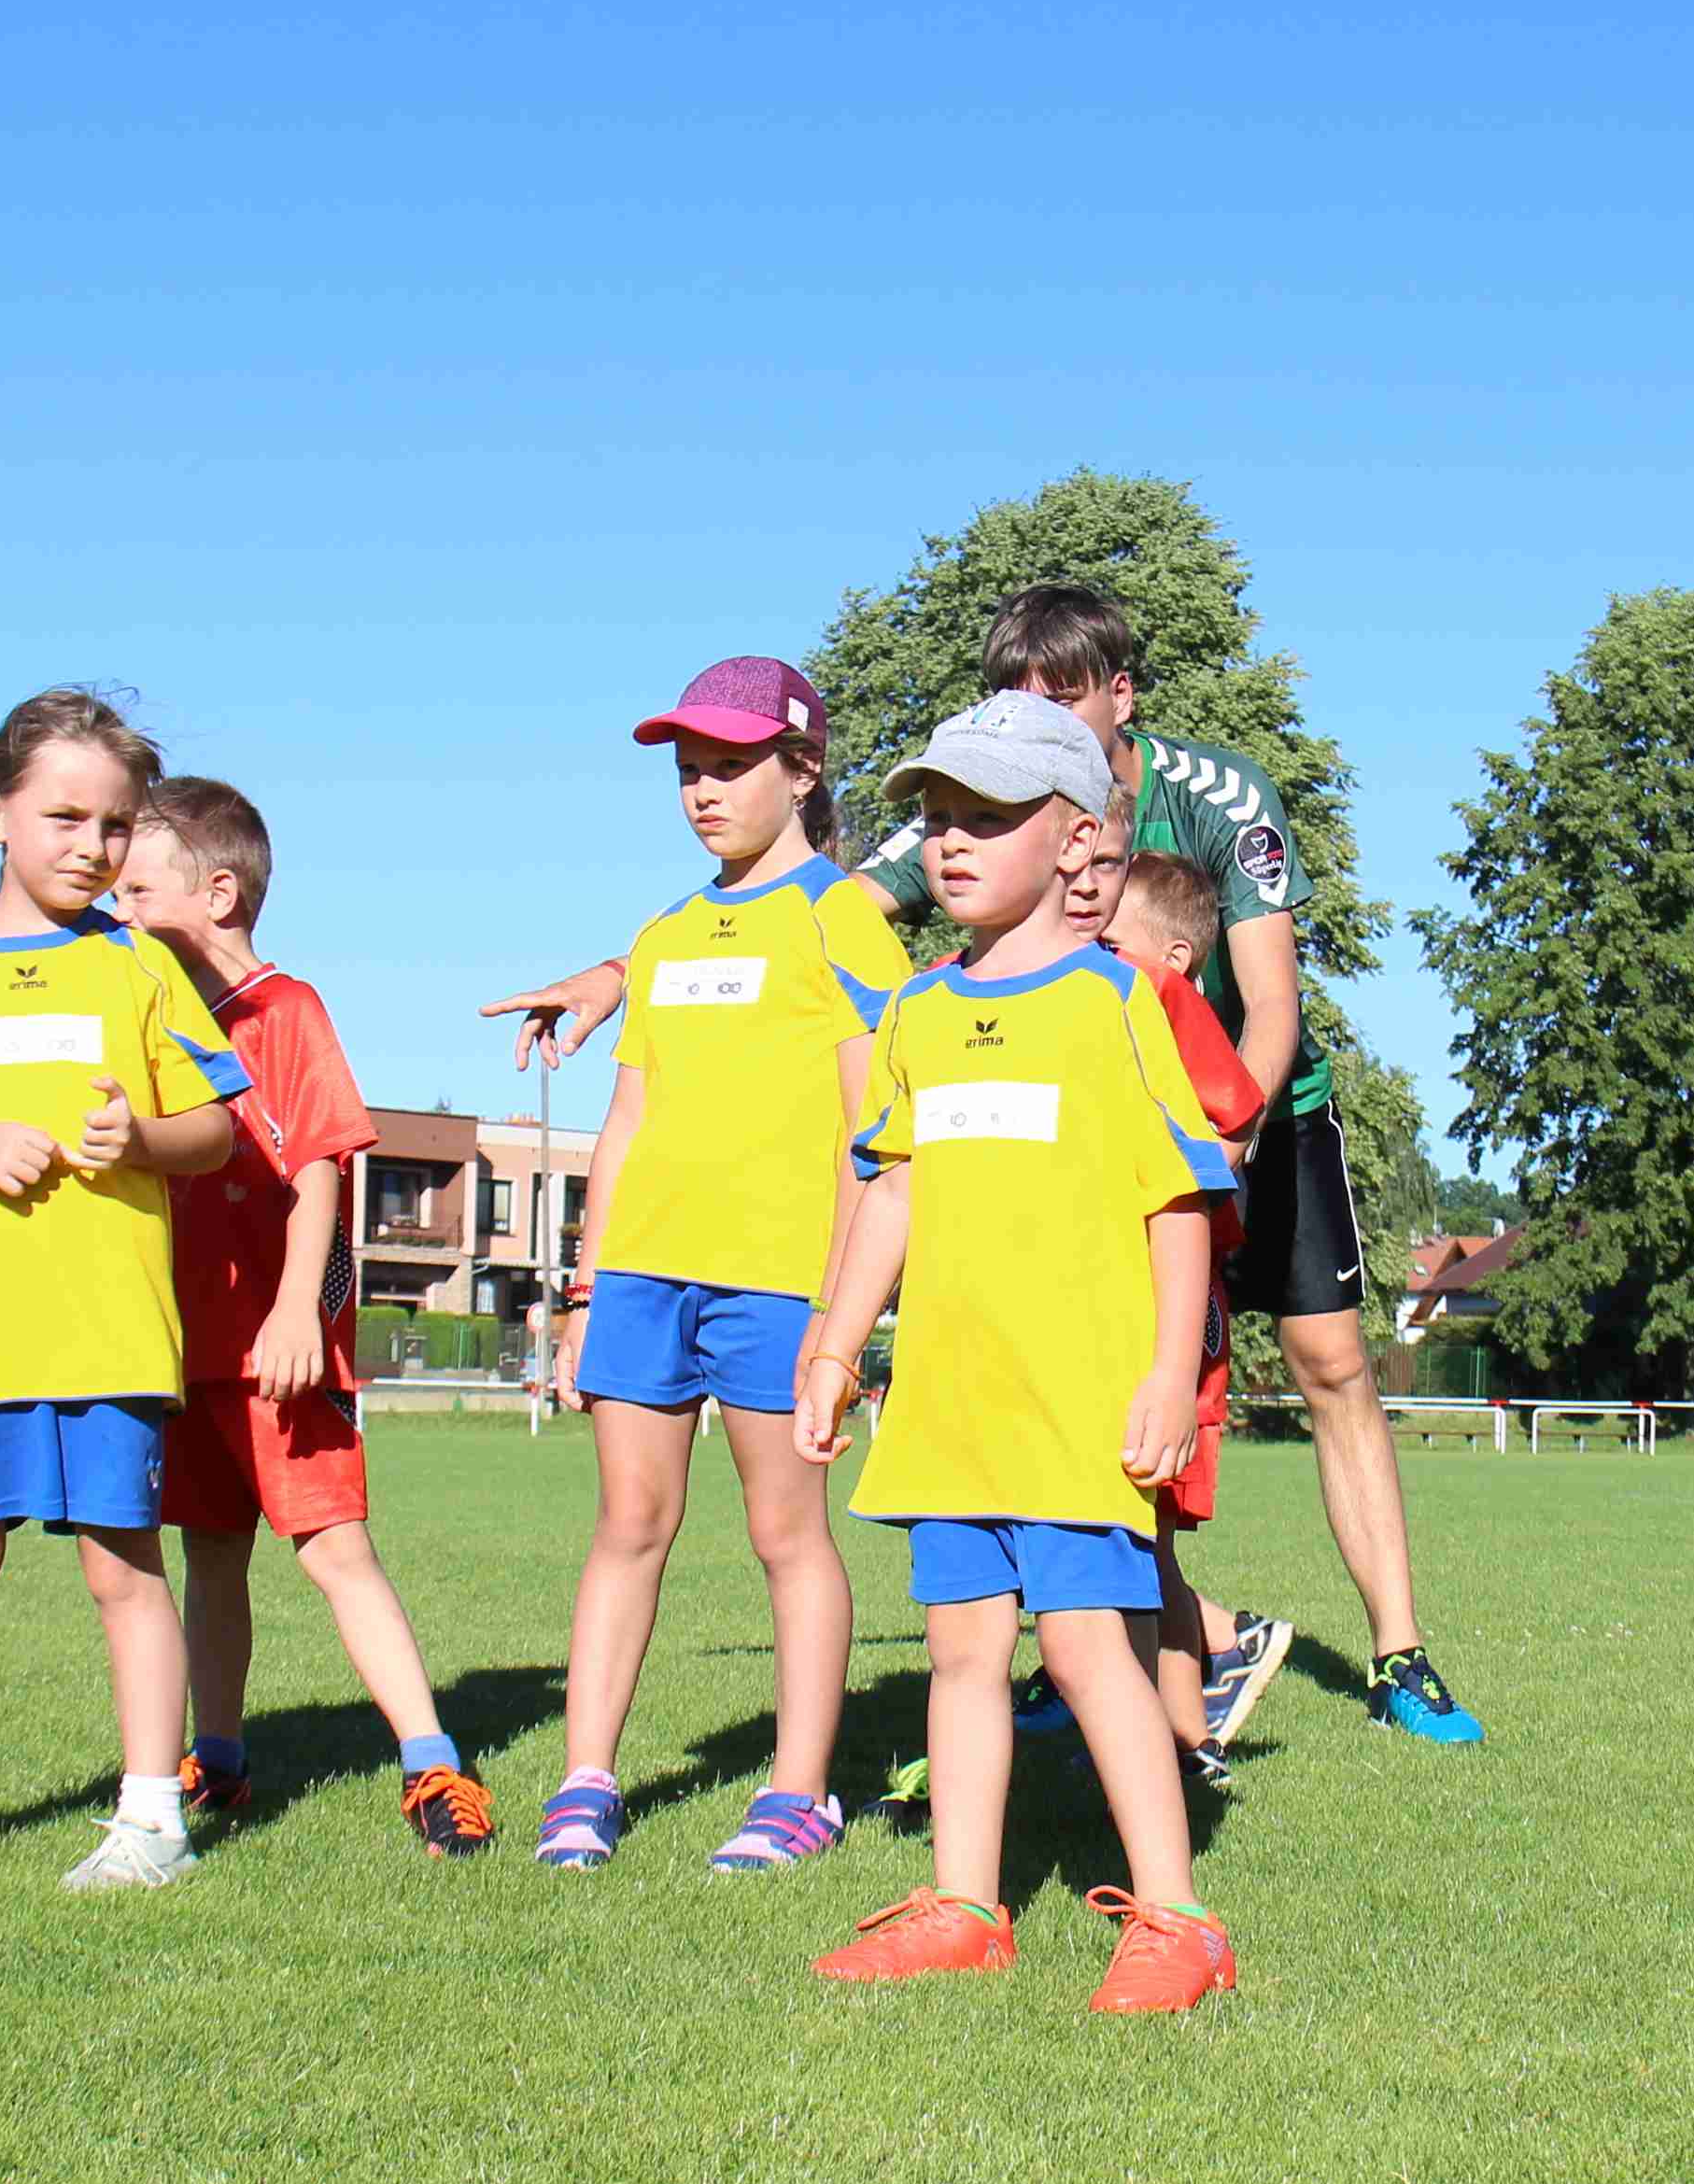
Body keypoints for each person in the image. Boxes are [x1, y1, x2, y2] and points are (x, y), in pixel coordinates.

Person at [487, 582, 1484, 1745]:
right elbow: (802, 907)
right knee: (1099, 1384)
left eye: (1063, 698)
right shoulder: (983, 798)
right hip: (1083, 1121)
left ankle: (1398, 1650)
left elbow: (1270, 1007)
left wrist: (1211, 1151)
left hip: (1245, 1103)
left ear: (1122, 697)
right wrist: (626, 974)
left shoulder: (1221, 795)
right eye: (1015, 697)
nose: (1034, 723)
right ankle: (1147, 1660)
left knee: (1328, 1360)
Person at [789, 691, 1243, 2010]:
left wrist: (1168, 1375)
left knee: (1095, 1652)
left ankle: (1179, 1920)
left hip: (1077, 1410)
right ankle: (966, 1908)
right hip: (950, 1407)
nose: (952, 840)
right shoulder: (918, 1012)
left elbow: (1179, 1201)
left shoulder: (1118, 1001)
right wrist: (835, 1348)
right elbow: (892, 1192)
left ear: (1076, 839)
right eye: (939, 815)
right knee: (961, 1657)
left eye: (988, 816)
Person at [0, 690, 248, 1895]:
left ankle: (151, 1822)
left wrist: (143, 1138)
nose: (93, 846)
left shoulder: (140, 966)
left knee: (124, 1569)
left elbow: (217, 1129)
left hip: (110, 1334)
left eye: (116, 825)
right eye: (66, 817)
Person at [534, 655, 908, 1874]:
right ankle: (586, 1781)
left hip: (780, 1283)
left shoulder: (840, 918)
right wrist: (585, 1290)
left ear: (802, 771)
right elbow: (627, 1123)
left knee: (784, 1533)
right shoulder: (663, 935)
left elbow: (874, 1131)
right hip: (644, 1277)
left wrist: (842, 1314)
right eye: (688, 769)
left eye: (730, 766)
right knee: (627, 1524)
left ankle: (800, 1792)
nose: (702, 790)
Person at [115, 776, 500, 1856]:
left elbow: (322, 1163)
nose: (118, 904)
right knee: (210, 1556)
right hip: (184, 1349)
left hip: (281, 1352)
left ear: (218, 893)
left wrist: (295, 1310)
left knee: (337, 1553)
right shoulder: (159, 1020)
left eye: (138, 887)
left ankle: (432, 1763)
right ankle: (220, 1761)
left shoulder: (286, 1010)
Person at [1094, 844, 1297, 1776]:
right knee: (1139, 1543)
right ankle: (1178, 1736)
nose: (1097, 951)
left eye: (1114, 940)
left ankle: (1177, 1732)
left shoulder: (1162, 1001)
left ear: (1174, 959)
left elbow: (1235, 1104)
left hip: (1167, 1311)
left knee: (1145, 1535)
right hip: (1134, 1302)